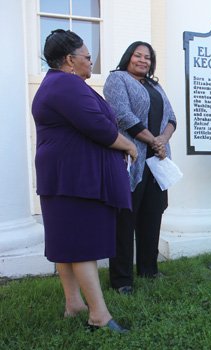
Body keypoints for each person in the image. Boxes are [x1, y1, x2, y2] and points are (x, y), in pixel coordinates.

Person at [32, 29, 137, 332]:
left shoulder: (56, 83)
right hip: (75, 178)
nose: (92, 63)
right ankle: (99, 316)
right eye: (88, 57)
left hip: (63, 176)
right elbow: (99, 127)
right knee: (82, 246)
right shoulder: (66, 84)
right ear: (69, 59)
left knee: (66, 243)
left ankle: (74, 304)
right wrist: (129, 146)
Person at [104, 41, 177, 294]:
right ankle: (122, 280)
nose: (143, 61)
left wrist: (162, 141)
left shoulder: (156, 86)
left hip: (156, 162)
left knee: (152, 216)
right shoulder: (118, 80)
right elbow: (121, 115)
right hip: (131, 161)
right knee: (125, 221)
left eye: (148, 57)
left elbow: (171, 118)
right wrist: (153, 140)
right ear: (129, 57)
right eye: (138, 55)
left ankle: (149, 269)